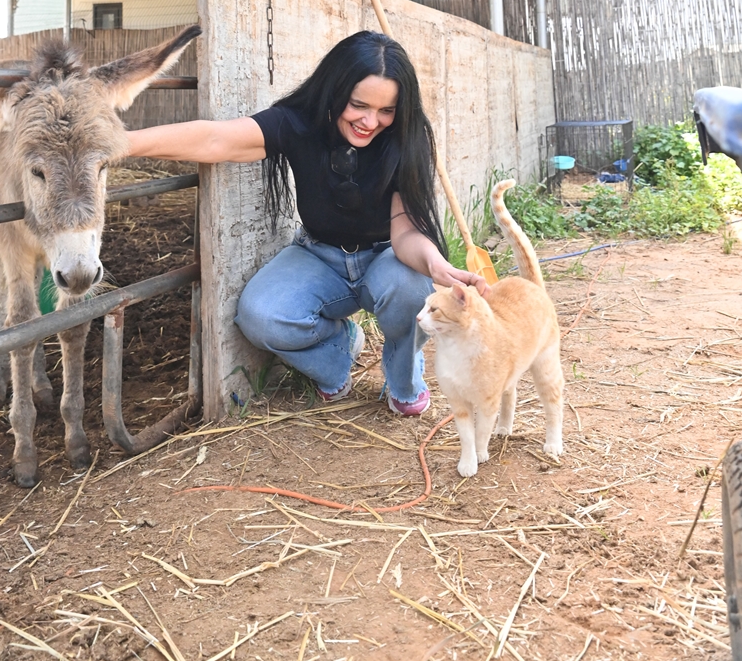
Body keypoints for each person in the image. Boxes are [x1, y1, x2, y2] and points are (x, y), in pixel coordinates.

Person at [126, 30, 486, 416]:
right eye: (358, 105)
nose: (370, 121)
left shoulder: (405, 138)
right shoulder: (299, 123)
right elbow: (217, 139)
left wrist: (434, 264)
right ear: (335, 90)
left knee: (415, 289)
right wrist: (120, 144)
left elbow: (405, 232)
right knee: (261, 316)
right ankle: (338, 355)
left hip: (386, 257)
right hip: (318, 255)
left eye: (386, 110)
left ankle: (403, 379)